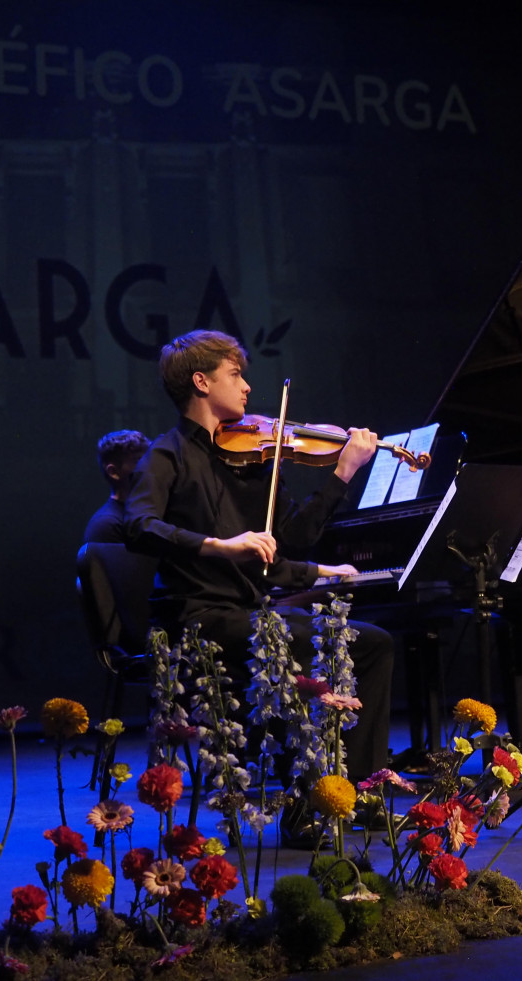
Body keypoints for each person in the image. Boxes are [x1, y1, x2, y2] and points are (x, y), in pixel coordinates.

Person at [123, 329, 395, 828]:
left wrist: (343, 474)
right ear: (201, 382)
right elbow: (139, 526)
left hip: (252, 613)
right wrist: (216, 545)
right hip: (200, 618)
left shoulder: (249, 460)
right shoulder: (165, 456)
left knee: (374, 643)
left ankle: (356, 796)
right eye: (235, 375)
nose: (247, 387)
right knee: (282, 648)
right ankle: (306, 807)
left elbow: (293, 539)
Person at [83, 430, 151, 544]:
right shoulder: (106, 526)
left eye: (149, 458)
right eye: (138, 460)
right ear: (113, 472)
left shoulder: (154, 511)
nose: (150, 466)